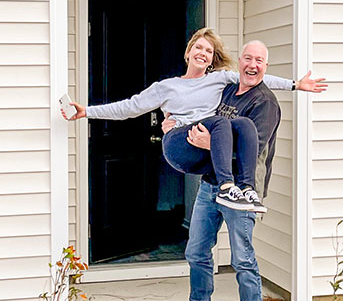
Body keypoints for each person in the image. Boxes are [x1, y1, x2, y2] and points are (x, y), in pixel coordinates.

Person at [164, 40, 327, 301]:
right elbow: (198, 116)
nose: (253, 65)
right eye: (248, 59)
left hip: (241, 191)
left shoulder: (264, 103)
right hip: (212, 184)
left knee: (243, 260)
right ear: (239, 62)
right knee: (196, 251)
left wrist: (209, 144)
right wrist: (174, 122)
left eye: (260, 61)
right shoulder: (225, 91)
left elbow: (250, 154)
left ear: (266, 67)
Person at [61, 28, 300, 212]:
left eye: (208, 51)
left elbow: (257, 78)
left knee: (244, 125)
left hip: (203, 140)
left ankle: (248, 190)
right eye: (198, 47)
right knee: (221, 123)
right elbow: (130, 107)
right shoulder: (167, 87)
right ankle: (227, 187)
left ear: (211, 59)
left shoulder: (219, 79)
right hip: (179, 142)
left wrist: (294, 85)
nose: (202, 53)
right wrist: (88, 111)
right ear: (188, 53)